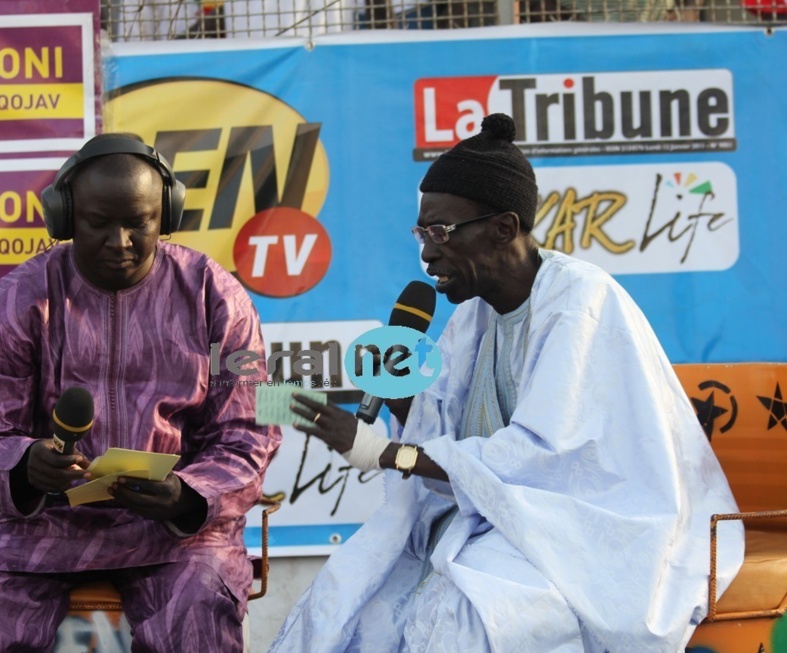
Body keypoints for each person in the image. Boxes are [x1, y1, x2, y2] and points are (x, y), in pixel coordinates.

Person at [271, 113, 744, 652]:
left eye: (441, 233)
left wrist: (385, 453)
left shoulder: (579, 304)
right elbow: (445, 439)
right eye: (421, 233)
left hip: (585, 533)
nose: (427, 253)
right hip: (498, 525)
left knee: (460, 620)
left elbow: (542, 462)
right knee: (346, 600)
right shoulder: (475, 314)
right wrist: (401, 402)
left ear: (503, 228)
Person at [0, 133, 281, 652]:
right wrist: (27, 464)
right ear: (67, 217)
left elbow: (249, 432)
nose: (120, 241)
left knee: (199, 609)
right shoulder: (13, 303)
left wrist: (189, 493)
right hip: (38, 532)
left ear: (166, 214)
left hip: (176, 536)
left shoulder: (218, 296)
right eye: (99, 223)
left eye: (138, 223)